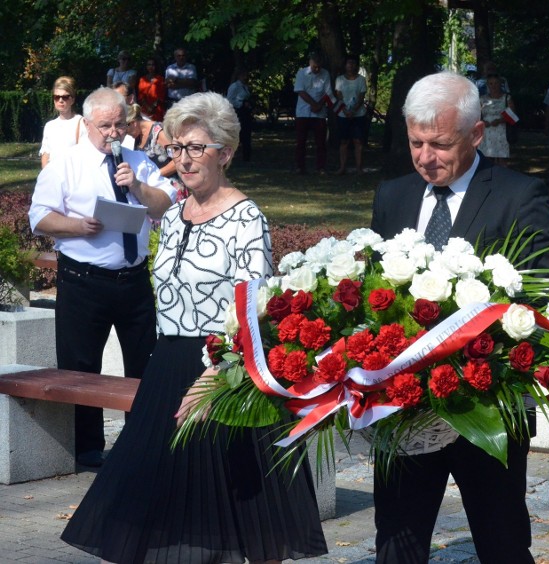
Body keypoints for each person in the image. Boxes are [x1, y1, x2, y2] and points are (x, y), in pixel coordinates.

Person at [60, 92, 329, 563]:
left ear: (225, 153)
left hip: (224, 372)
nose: (183, 160)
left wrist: (213, 379)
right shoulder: (177, 211)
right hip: (167, 366)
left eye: (196, 149)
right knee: (157, 502)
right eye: (177, 148)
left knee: (240, 511)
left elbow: (255, 311)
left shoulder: (246, 218)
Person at [369, 71, 549, 564]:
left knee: (502, 545)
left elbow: (539, 300)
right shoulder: (392, 197)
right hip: (404, 411)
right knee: (396, 544)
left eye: (440, 143)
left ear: (477, 134)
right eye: (416, 142)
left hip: (487, 408)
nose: (426, 157)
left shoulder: (520, 197)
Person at [28, 87, 176, 468]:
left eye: (120, 124)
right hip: (83, 280)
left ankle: (141, 444)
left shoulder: (139, 162)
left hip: (133, 280)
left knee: (144, 363)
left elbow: (166, 202)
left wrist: (138, 187)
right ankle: (87, 448)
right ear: (88, 124)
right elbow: (39, 217)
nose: (113, 132)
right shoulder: (66, 164)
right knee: (80, 365)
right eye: (105, 125)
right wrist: (77, 225)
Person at [126, 103, 186, 199]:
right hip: (154, 190)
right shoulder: (138, 136)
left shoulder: (158, 132)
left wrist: (156, 174)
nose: (126, 135)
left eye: (127, 131)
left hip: (171, 190)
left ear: (133, 123)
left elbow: (179, 158)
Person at [294, 52, 333, 174]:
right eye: (314, 66)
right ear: (310, 63)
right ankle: (300, 167)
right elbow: (300, 91)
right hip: (303, 111)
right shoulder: (302, 73)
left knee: (321, 142)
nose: (317, 69)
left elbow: (328, 93)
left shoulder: (325, 74)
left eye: (319, 67)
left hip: (319, 113)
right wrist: (313, 104)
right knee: (301, 141)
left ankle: (320, 167)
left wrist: (319, 105)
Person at [39, 76, 85, 168]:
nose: (60, 100)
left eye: (65, 97)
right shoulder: (50, 126)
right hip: (53, 177)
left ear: (72, 99)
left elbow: (85, 155)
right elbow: (45, 154)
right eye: (57, 97)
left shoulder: (82, 122)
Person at [334, 55, 368, 174]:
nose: (351, 66)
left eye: (353, 63)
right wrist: (345, 111)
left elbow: (361, 97)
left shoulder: (361, 80)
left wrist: (353, 111)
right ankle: (342, 167)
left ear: (356, 65)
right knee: (344, 141)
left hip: (358, 115)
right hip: (343, 115)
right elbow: (339, 96)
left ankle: (359, 168)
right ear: (345, 65)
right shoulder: (339, 79)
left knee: (358, 141)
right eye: (349, 63)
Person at [479, 73, 515, 166]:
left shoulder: (506, 98)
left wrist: (500, 121)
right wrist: (482, 121)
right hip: (486, 132)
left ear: (500, 84)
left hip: (501, 131)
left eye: (495, 83)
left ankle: (502, 178)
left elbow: (512, 115)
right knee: (486, 158)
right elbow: (476, 115)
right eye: (491, 83)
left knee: (502, 159)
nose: (493, 86)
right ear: (487, 85)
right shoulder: (482, 99)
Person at [226, 67, 253, 162]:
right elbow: (229, 100)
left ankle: (246, 157)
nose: (246, 77)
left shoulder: (245, 86)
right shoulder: (234, 86)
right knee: (239, 134)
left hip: (246, 112)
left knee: (247, 134)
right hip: (238, 112)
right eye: (244, 75)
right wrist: (241, 104)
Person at [137, 57, 166, 121]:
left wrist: (153, 106)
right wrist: (148, 107)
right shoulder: (142, 79)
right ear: (146, 66)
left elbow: (161, 95)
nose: (151, 67)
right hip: (145, 108)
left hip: (157, 109)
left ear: (156, 66)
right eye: (149, 65)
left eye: (153, 65)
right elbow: (141, 96)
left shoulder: (160, 79)